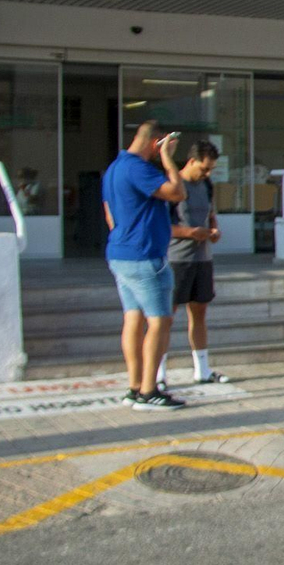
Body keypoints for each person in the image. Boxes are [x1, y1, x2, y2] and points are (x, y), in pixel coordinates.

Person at [102, 121, 189, 411]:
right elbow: (177, 192)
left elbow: (109, 215)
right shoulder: (139, 168)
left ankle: (134, 387)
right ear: (156, 142)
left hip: (121, 254)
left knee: (133, 319)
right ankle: (150, 391)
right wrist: (168, 159)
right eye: (163, 144)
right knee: (159, 321)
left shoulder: (114, 168)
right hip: (145, 257)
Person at [158, 140, 232, 389]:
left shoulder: (207, 185)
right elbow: (161, 225)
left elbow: (210, 214)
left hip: (202, 258)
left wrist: (213, 230)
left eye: (211, 169)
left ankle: (202, 369)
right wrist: (189, 232)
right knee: (165, 317)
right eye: (204, 168)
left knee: (199, 312)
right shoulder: (172, 186)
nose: (207, 174)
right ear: (191, 161)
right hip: (176, 258)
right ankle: (158, 374)